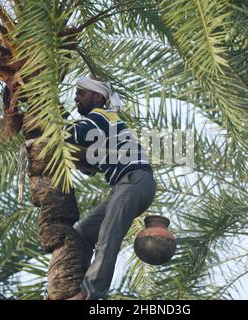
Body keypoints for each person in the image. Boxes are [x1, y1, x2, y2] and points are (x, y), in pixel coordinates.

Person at [65, 76, 156, 300]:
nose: (76, 97)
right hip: (127, 186)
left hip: (133, 181)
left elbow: (71, 134)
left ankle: (91, 296)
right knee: (82, 233)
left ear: (98, 97)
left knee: (108, 237)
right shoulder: (103, 127)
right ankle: (76, 284)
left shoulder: (102, 116)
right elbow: (88, 166)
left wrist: (46, 121)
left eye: (81, 93)